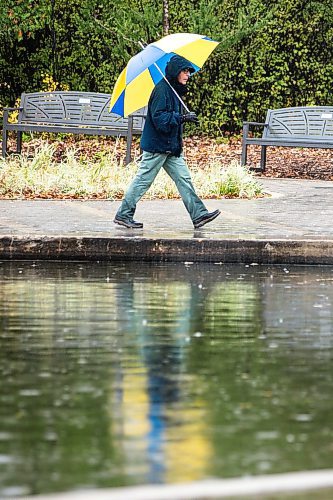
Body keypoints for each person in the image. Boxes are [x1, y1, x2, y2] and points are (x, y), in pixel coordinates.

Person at [114, 54, 221, 229]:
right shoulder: (162, 90)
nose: (188, 75)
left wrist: (182, 118)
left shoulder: (173, 90)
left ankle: (199, 215)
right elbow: (160, 120)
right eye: (184, 71)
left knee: (184, 179)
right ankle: (123, 214)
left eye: (188, 71)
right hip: (157, 147)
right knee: (143, 181)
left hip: (171, 147)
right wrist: (182, 117)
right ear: (175, 72)